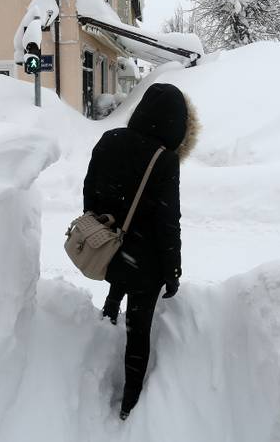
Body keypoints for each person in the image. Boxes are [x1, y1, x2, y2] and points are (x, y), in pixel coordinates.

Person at [82, 82, 199, 420]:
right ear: (174, 122)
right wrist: (172, 271)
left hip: (109, 247)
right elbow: (167, 222)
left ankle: (106, 316)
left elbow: (90, 190)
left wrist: (103, 227)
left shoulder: (109, 139)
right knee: (138, 331)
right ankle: (130, 402)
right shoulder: (165, 160)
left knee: (119, 279)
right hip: (144, 262)